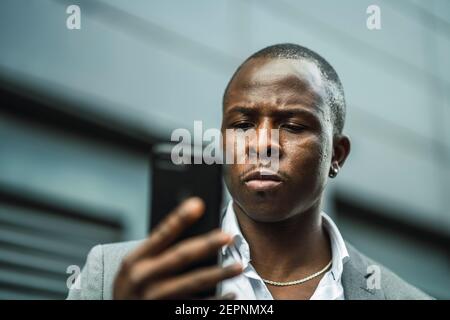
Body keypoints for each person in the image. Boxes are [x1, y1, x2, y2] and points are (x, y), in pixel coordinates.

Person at [67, 43, 432, 300]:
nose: (262, 144)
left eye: (292, 126)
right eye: (242, 125)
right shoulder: (112, 276)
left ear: (336, 154)